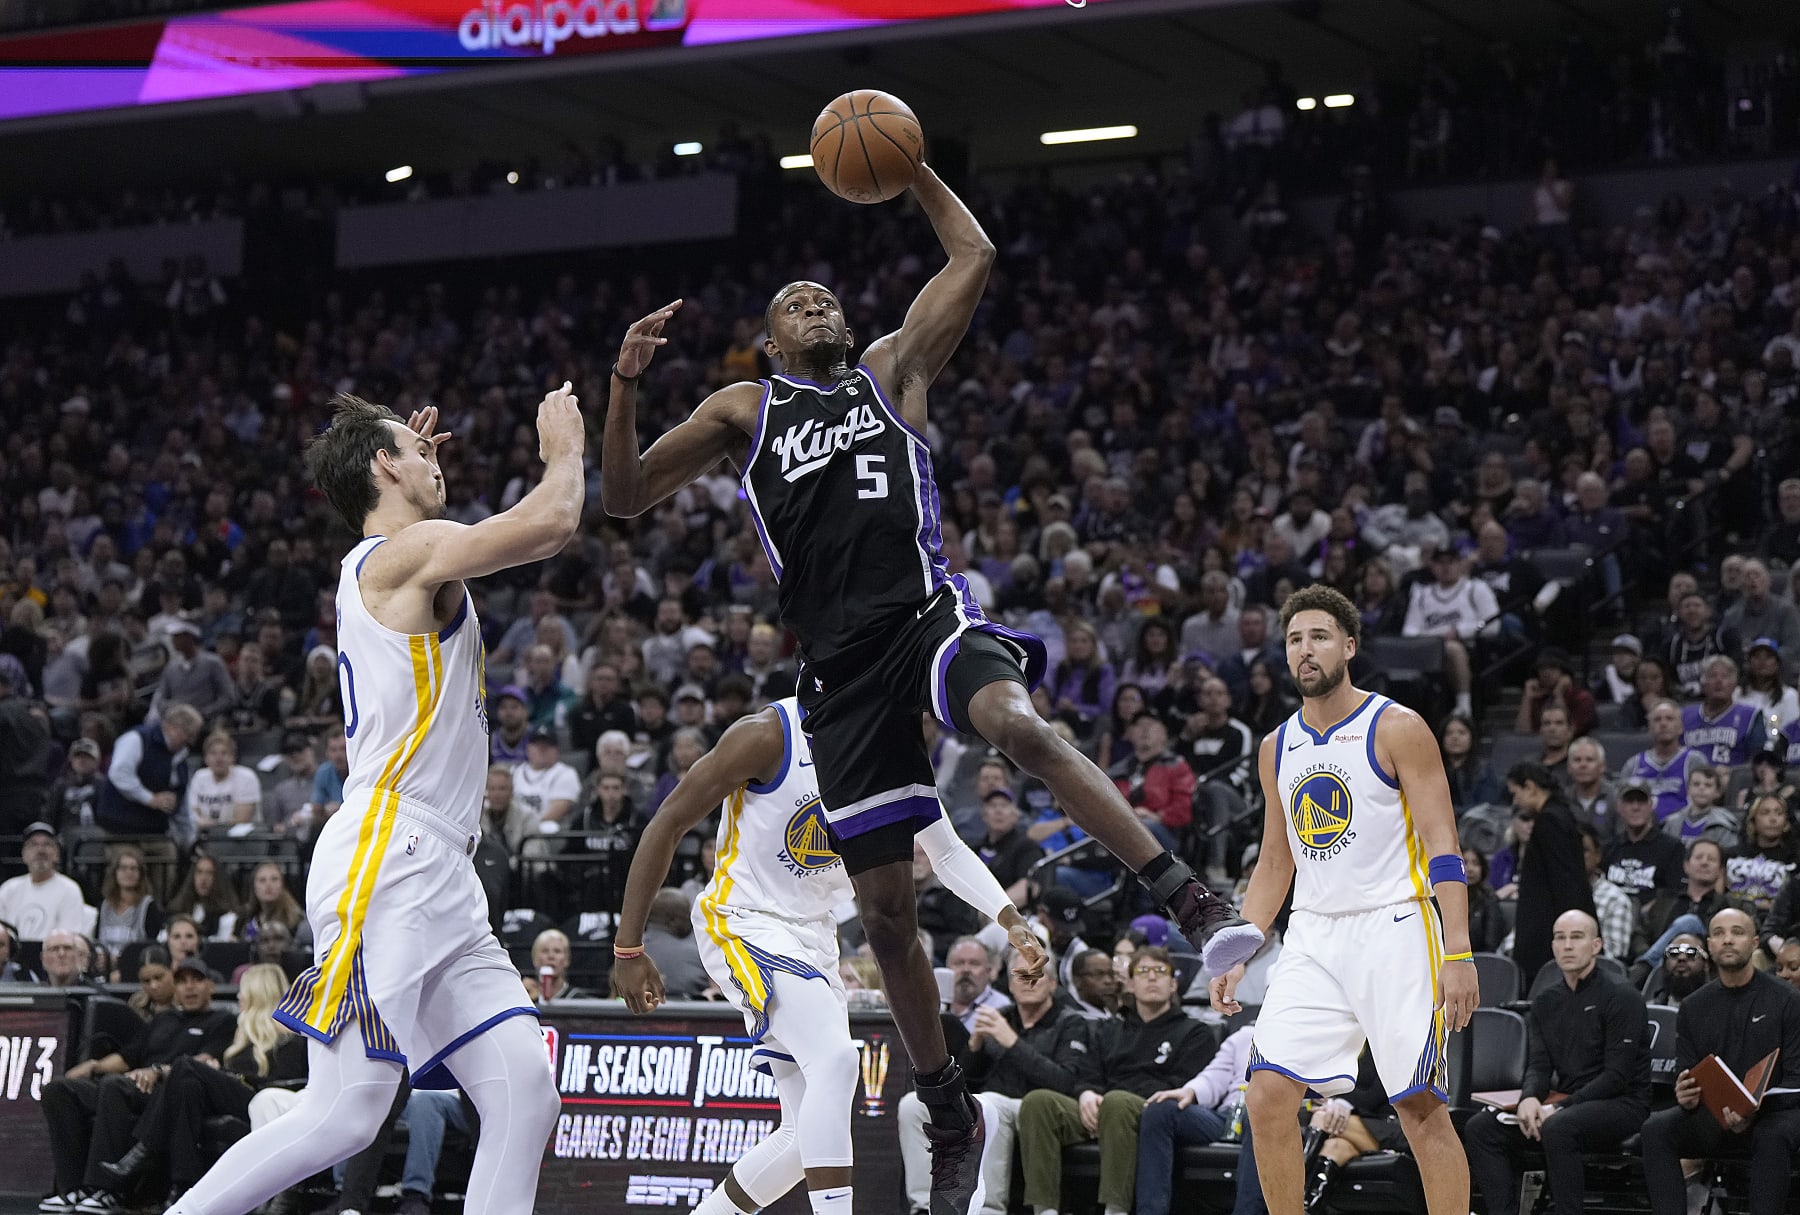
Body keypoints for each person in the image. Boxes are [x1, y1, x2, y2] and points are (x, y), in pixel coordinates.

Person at [599, 166, 1251, 1210]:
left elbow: (976, 254)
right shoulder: (745, 406)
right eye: (792, 304)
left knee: (1017, 726)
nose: (816, 304)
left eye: (827, 297)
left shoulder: (891, 368)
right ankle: (945, 1101)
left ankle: (1184, 891)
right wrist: (627, 383)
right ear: (770, 344)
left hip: (924, 616)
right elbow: (623, 496)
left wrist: (911, 172)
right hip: (840, 673)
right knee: (891, 914)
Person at [160, 391, 580, 1215]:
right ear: (386, 467)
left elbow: (418, 510)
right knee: (345, 1109)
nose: (438, 459)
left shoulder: (400, 556)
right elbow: (552, 523)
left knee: (525, 1090)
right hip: (392, 848)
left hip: (444, 872)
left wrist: (408, 466)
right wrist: (561, 448)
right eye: (419, 453)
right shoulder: (401, 552)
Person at [610, 696, 1036, 1215]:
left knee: (797, 1141)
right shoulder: (768, 734)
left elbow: (945, 851)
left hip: (816, 935)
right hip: (742, 918)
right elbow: (669, 821)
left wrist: (1009, 916)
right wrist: (629, 946)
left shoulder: (892, 755)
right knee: (835, 1061)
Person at [1211, 584, 1478, 1215]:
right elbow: (1276, 860)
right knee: (1266, 1095)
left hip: (1397, 926)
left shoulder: (1397, 727)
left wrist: (1459, 948)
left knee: (1417, 1106)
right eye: (1294, 639)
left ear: (1349, 646)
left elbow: (1444, 845)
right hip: (1313, 933)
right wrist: (1239, 947)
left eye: (1319, 637)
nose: (1305, 651)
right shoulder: (1276, 746)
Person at [1465, 910, 1652, 1215]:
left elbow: (1617, 1076)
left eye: (1577, 937)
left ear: (1596, 945)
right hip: (1566, 1102)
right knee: (1481, 1127)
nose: (1567, 945)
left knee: (1559, 1128)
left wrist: (1558, 1109)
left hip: (1623, 1103)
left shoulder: (1622, 996)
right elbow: (1539, 1065)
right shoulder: (1546, 1001)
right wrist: (1528, 1100)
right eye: (1560, 938)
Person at [1016, 946, 1215, 1215]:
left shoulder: (1194, 1032)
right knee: (1039, 1102)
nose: (1152, 977)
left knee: (1117, 1102)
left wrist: (1108, 1100)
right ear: (1130, 984)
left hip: (1148, 1110)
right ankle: (1044, 1209)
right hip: (1103, 1108)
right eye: (1143, 971)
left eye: (1160, 971)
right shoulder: (1109, 1028)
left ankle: (1116, 1209)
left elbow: (1182, 1085)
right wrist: (1087, 1093)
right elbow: (1087, 1071)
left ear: (1173, 984)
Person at [91, 964, 307, 1210]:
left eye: (243, 991)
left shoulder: (290, 1036)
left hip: (261, 1103)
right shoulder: (242, 1033)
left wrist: (231, 1076)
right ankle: (182, 1184)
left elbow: (282, 1085)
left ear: (259, 993)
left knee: (184, 1065)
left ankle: (144, 1150)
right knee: (189, 1085)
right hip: (237, 1094)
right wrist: (221, 1073)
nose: (238, 997)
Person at [39, 955, 237, 1213]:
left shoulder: (222, 1020)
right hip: (133, 1083)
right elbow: (126, 1057)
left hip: (166, 1091)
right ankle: (72, 1190)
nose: (189, 987)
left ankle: (108, 1190)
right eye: (182, 981)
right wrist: (92, 1066)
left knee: (114, 1086)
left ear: (210, 985)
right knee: (59, 1089)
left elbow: (203, 1063)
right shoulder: (162, 1020)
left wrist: (156, 1071)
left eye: (197, 980)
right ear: (175, 988)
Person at [902, 950, 1089, 1215]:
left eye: (1037, 975)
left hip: (1037, 1107)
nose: (1029, 981)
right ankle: (923, 1206)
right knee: (913, 1104)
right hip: (990, 1100)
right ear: (1010, 983)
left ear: (1053, 983)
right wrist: (975, 1046)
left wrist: (1011, 1042)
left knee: (992, 1105)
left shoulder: (1070, 1021)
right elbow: (968, 1082)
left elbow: (1063, 1081)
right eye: (1021, 975)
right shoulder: (1003, 1016)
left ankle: (988, 1209)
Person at [1639, 908, 1800, 1215]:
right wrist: (1685, 1096)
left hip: (1774, 1113)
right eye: (1719, 933)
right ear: (1709, 945)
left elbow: (1796, 1079)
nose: (1728, 940)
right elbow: (1687, 1073)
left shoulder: (1788, 1000)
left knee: (1773, 1136)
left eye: (1737, 932)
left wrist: (1753, 1110)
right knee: (1656, 1128)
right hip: (1715, 1112)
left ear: (1754, 943)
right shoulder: (1693, 1007)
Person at [1134, 1024, 1256, 1215]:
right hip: (1229, 1115)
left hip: (1282, 1120)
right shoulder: (1247, 1035)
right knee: (1161, 1109)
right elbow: (1214, 1075)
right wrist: (1190, 1091)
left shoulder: (1313, 1036)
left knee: (1259, 1115)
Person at [1505, 762, 1598, 985]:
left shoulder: (1550, 821)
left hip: (1546, 932)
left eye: (1515, 793)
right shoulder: (1560, 815)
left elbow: (1565, 881)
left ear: (1530, 787)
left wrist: (1570, 931)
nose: (1515, 801)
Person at [0, 822, 90, 940]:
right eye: (33, 844)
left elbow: (69, 938)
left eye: (47, 844)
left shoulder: (70, 889)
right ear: (23, 855)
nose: (40, 850)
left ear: (57, 854)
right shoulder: (9, 889)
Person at [1621, 700, 1705, 822]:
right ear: (1649, 728)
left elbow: (1703, 804)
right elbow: (1620, 803)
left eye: (1669, 719)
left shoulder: (1694, 761)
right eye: (1657, 720)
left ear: (1680, 728)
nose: (1663, 724)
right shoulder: (1633, 764)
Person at [1680, 656, 1769, 770]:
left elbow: (1759, 760)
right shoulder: (1684, 715)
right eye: (1712, 676)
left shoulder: (1750, 715)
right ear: (1703, 684)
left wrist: (1734, 773)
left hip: (1732, 782)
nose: (1719, 681)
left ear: (1734, 685)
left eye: (1725, 676)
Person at [95, 845, 165, 955]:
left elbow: (152, 946)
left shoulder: (149, 907)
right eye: (123, 868)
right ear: (115, 872)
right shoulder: (104, 906)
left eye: (133, 868)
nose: (128, 872)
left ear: (140, 873)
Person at [184, 733, 260, 832]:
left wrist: (211, 825)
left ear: (233, 757)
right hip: (206, 836)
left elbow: (242, 820)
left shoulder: (246, 777)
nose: (218, 758)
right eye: (213, 753)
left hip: (241, 839)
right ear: (206, 758)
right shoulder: (199, 776)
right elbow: (192, 812)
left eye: (224, 753)